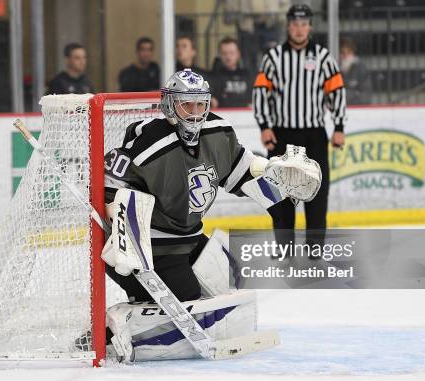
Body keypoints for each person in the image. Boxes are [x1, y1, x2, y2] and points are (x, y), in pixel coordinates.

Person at [99, 68, 320, 361]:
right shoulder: (148, 142)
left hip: (188, 238)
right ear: (169, 104)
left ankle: (147, 310)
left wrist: (273, 176)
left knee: (228, 279)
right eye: (186, 104)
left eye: (200, 104)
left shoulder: (217, 132)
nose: (194, 112)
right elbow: (109, 184)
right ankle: (117, 326)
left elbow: (242, 173)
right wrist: (120, 228)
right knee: (191, 303)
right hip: (146, 250)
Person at [252, 4, 347, 256]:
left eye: (303, 24)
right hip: (282, 134)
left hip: (314, 135)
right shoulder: (273, 57)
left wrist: (338, 125)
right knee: (281, 194)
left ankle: (315, 248)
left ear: (310, 27)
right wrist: (264, 126)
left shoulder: (324, 57)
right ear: (288, 26)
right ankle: (285, 248)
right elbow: (261, 92)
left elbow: (336, 91)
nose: (299, 29)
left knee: (316, 193)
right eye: (294, 24)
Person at [209, 37, 253, 108]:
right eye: (224, 53)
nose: (228, 57)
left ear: (238, 54)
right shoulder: (214, 77)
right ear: (220, 55)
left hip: (246, 116)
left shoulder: (248, 76)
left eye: (231, 53)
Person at [340, 37, 372, 105]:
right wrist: (354, 94)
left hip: (356, 111)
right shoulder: (334, 70)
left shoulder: (361, 70)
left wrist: (345, 96)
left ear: (353, 53)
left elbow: (365, 97)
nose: (345, 56)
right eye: (343, 53)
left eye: (348, 52)